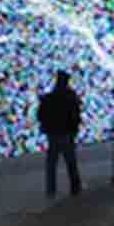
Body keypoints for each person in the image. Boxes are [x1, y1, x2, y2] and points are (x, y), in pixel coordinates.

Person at [36, 70, 83, 198]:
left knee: (52, 163)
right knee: (70, 161)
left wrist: (46, 127)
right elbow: (76, 115)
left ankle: (51, 190)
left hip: (53, 133)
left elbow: (40, 115)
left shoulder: (49, 97)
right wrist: (75, 128)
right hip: (67, 132)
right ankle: (75, 187)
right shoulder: (71, 97)